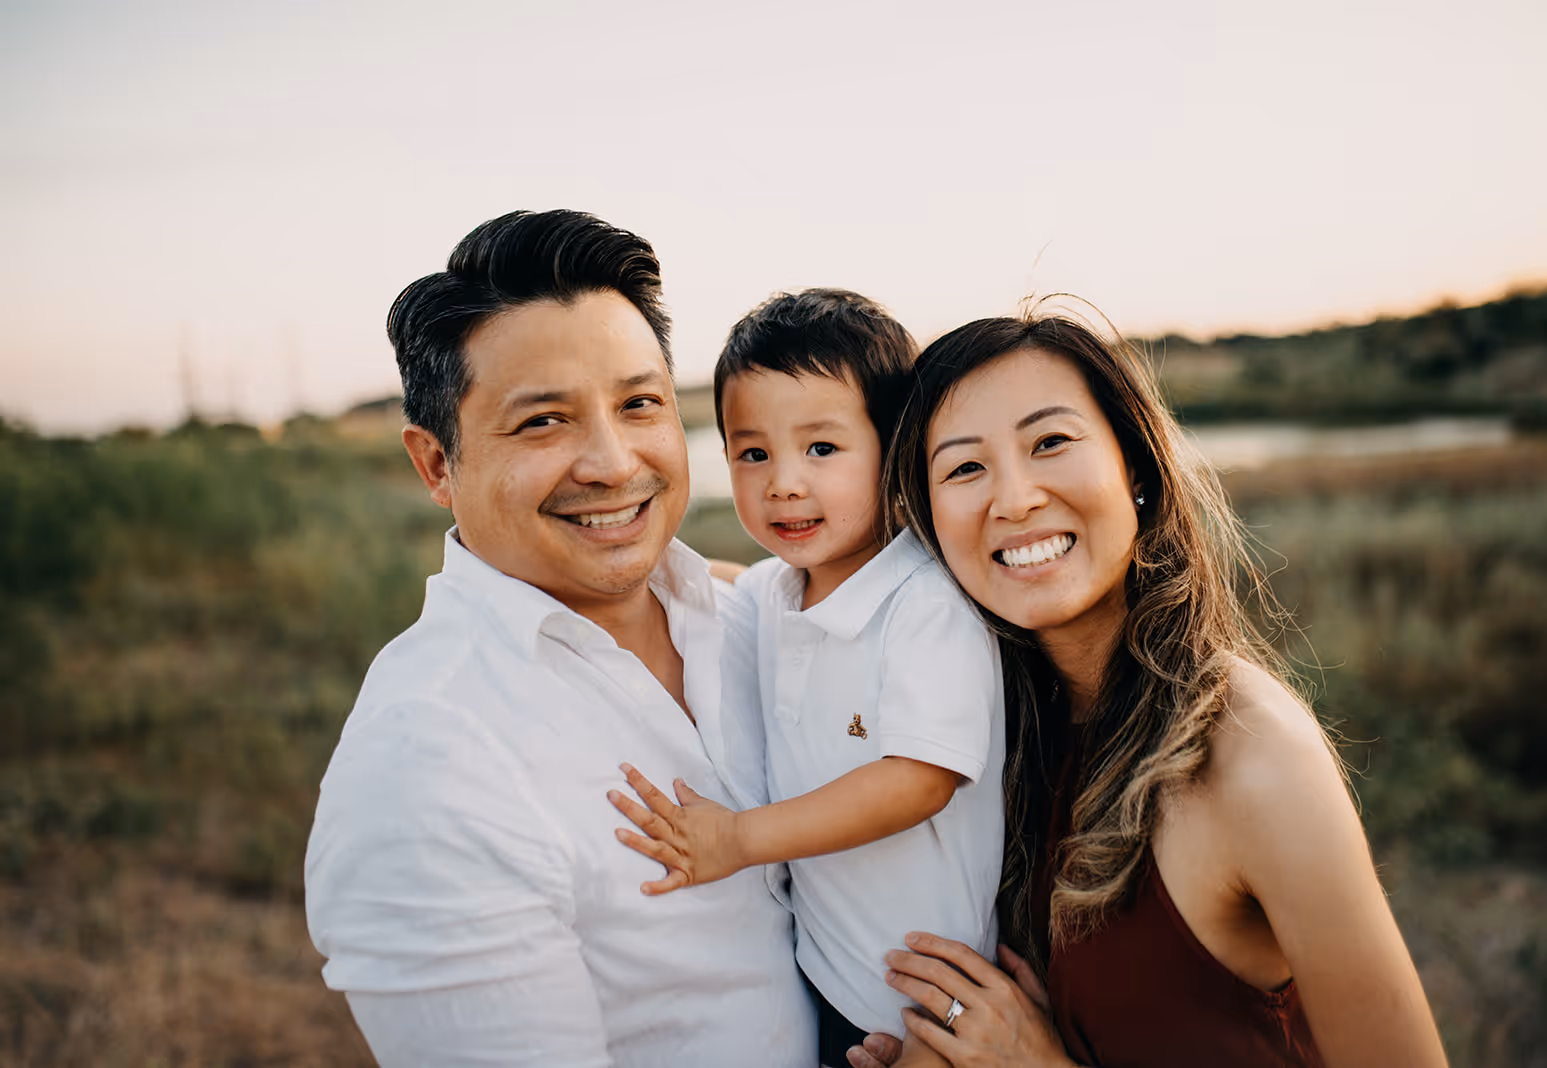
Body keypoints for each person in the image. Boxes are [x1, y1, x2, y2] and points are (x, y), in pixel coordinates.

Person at [847, 314, 1449, 1067]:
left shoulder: (1250, 752)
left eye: (1050, 442)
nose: (1016, 499)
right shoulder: (978, 742)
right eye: (965, 468)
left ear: (1134, 468)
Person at [303, 209, 815, 1067]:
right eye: (544, 421)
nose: (614, 463)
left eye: (640, 404)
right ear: (436, 463)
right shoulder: (425, 765)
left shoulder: (756, 619)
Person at [607, 290, 1005, 1068]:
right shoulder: (779, 592)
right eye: (752, 454)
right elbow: (720, 580)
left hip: (930, 1006)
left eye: (821, 449)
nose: (784, 483)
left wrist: (738, 839)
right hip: (826, 985)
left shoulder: (925, 602)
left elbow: (920, 780)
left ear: (896, 447)